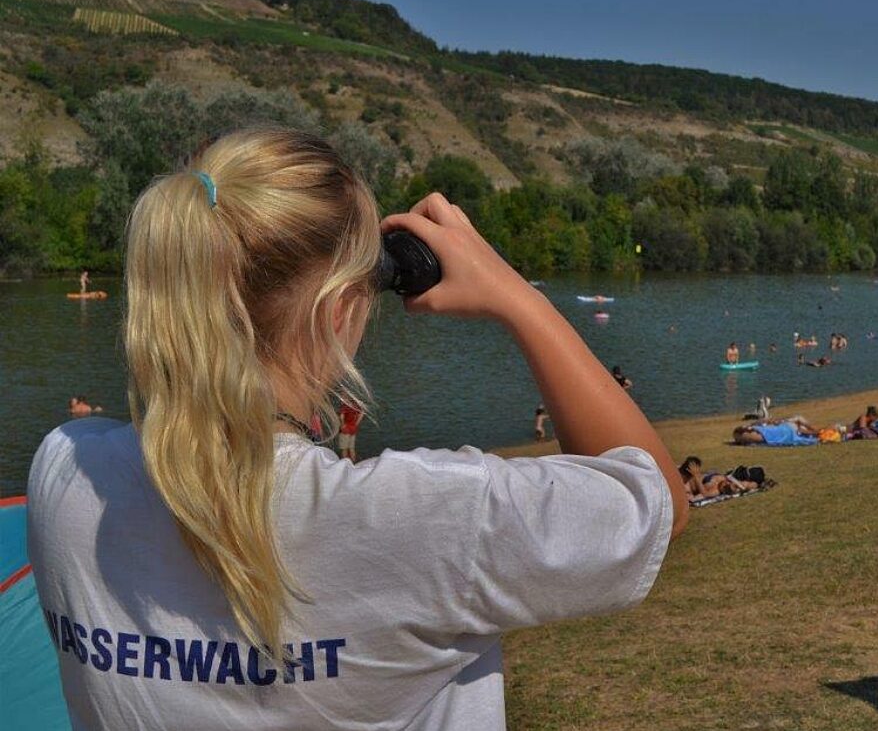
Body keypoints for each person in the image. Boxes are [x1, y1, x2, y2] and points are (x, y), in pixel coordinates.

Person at [26, 129, 688, 730]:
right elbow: (652, 496)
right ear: (339, 309)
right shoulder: (435, 518)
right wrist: (518, 298)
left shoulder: (66, 476)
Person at [677, 456, 757, 502]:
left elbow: (704, 494)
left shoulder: (716, 491)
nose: (726, 484)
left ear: (724, 491)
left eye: (725, 487)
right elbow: (752, 485)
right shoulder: (725, 478)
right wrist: (740, 486)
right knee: (694, 461)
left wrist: (696, 476)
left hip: (687, 485)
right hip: (688, 474)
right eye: (728, 483)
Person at [732, 416, 817, 446]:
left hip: (784, 430)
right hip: (782, 430)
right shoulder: (794, 425)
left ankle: (815, 430)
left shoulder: (795, 427)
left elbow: (802, 428)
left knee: (798, 418)